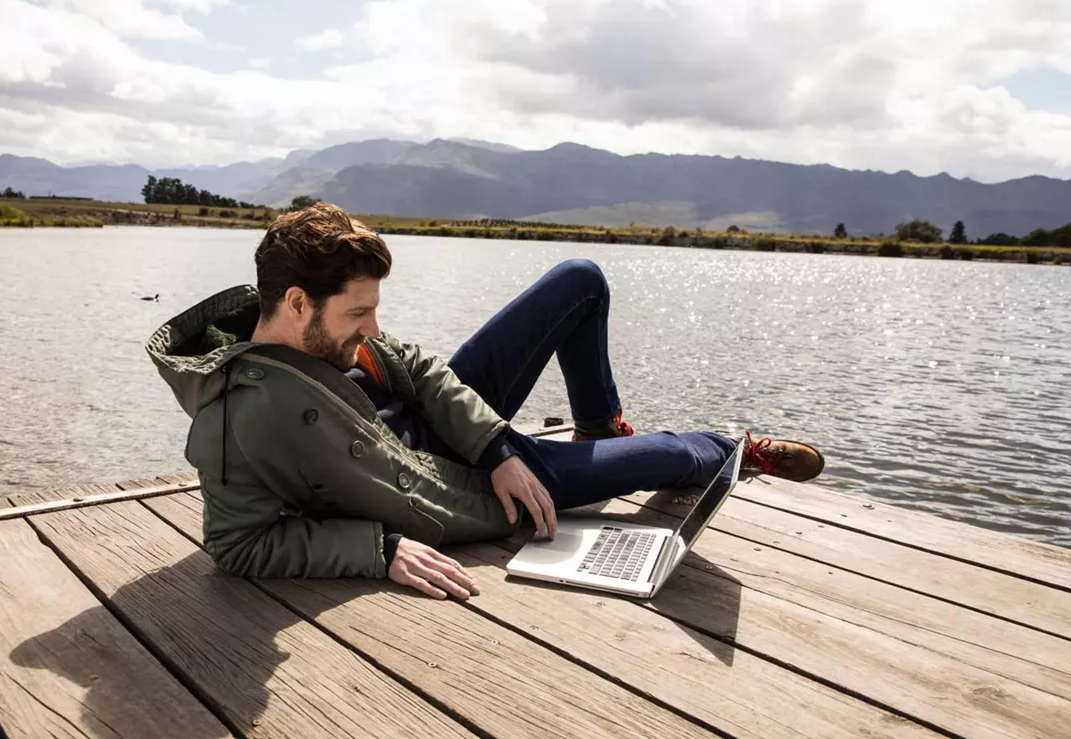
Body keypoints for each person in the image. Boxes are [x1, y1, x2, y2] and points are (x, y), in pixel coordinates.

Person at [147, 203, 824, 600]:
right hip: (453, 492)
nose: (374, 330)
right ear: (297, 304)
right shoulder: (238, 419)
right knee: (691, 454)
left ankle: (600, 425)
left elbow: (413, 365)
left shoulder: (325, 335)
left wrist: (497, 446)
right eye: (360, 313)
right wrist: (377, 550)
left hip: (463, 443)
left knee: (580, 280)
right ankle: (736, 449)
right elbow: (237, 544)